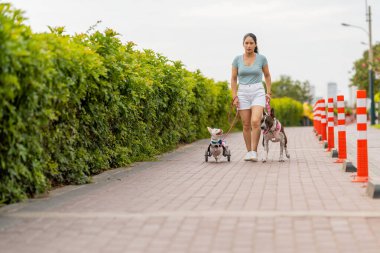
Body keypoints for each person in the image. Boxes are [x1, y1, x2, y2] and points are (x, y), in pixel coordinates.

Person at [231, 33, 272, 161]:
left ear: (255, 44)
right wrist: (234, 96)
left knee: (255, 121)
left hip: (258, 91)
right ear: (243, 44)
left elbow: (267, 75)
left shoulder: (262, 59)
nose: (248, 45)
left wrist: (268, 93)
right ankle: (248, 152)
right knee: (246, 124)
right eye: (246, 43)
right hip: (242, 92)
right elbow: (233, 79)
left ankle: (254, 151)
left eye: (251, 43)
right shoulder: (237, 60)